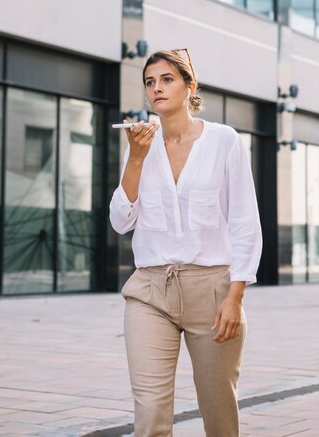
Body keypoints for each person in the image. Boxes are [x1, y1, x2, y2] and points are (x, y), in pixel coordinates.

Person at [109, 49, 262, 437]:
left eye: (166, 79)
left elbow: (245, 220)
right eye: (149, 82)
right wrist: (136, 158)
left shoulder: (223, 141)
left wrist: (235, 295)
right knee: (150, 415)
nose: (156, 88)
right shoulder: (139, 144)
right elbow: (121, 221)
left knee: (218, 413)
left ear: (189, 86)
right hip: (150, 291)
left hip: (211, 289)